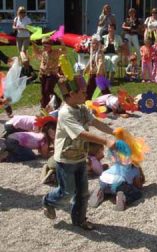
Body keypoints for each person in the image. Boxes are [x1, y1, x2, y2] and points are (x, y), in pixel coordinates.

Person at [42, 74, 115, 230]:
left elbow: (94, 122)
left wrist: (113, 132)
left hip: (80, 157)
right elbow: (81, 133)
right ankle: (48, 200)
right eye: (82, 92)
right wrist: (105, 141)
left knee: (82, 193)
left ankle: (79, 220)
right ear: (71, 94)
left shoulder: (82, 108)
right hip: (66, 159)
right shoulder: (65, 113)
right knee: (66, 192)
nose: (86, 94)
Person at [32, 37, 66, 108]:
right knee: (43, 91)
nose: (43, 47)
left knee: (47, 90)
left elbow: (64, 51)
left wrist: (61, 41)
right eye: (43, 45)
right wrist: (33, 43)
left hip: (52, 75)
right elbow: (37, 51)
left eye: (45, 46)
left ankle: (50, 103)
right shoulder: (44, 52)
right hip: (43, 74)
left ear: (50, 46)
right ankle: (44, 105)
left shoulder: (56, 52)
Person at [84, 34, 109, 100]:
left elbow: (100, 63)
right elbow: (90, 62)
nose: (92, 45)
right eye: (92, 43)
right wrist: (85, 70)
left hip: (99, 74)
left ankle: (110, 101)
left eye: (94, 43)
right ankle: (86, 101)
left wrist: (98, 72)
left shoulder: (100, 52)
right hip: (93, 74)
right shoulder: (93, 53)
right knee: (89, 89)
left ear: (98, 44)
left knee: (104, 90)